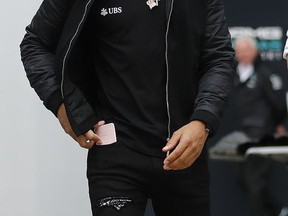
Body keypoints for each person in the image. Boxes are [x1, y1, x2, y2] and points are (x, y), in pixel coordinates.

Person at [20, 0, 236, 215]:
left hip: (183, 149)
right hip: (115, 152)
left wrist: (203, 121)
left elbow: (218, 57)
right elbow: (35, 43)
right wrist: (61, 104)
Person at [212, 36, 287, 216]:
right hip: (240, 135)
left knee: (256, 182)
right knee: (243, 179)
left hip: (261, 135)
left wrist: (277, 124)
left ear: (255, 51)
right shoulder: (233, 74)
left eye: (246, 50)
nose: (242, 54)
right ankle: (276, 209)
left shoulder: (264, 74)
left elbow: (277, 103)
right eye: (239, 51)